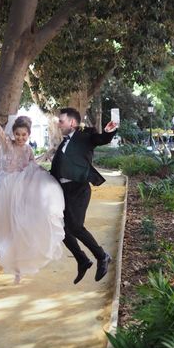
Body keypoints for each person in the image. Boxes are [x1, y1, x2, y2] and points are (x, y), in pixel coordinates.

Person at [0, 89, 65, 284]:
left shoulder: (28, 149)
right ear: (13, 133)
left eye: (24, 135)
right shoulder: (7, 143)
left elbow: (32, 166)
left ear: (28, 135)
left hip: (21, 192)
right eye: (17, 134)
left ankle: (19, 267)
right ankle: (12, 264)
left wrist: (45, 176)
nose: (20, 138)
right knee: (6, 230)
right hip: (3, 190)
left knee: (22, 228)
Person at [51, 108, 118, 284]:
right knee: (61, 229)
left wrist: (109, 131)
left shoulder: (84, 136)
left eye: (61, 121)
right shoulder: (63, 143)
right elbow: (56, 170)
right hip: (62, 191)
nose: (59, 124)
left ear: (72, 123)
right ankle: (82, 260)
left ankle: (102, 256)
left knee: (75, 226)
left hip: (79, 189)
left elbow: (100, 139)